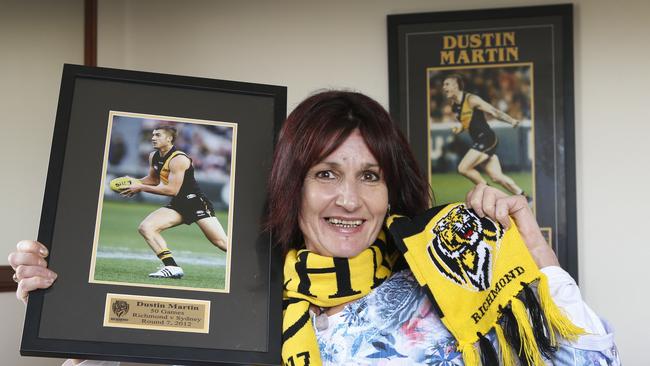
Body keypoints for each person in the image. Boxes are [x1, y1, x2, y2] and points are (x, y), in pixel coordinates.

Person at [9, 91, 618, 365]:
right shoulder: (236, 310)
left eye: (371, 176)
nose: (348, 200)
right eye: (325, 173)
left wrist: (536, 252)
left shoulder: (447, 281)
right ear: (291, 184)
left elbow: (591, 364)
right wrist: (71, 312)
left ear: (391, 190)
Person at [121, 126, 228, 279]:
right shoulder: (154, 156)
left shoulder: (179, 159)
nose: (153, 138)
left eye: (158, 135)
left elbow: (172, 190)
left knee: (221, 243)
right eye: (153, 135)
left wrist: (140, 187)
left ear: (169, 138)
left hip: (195, 202)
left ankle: (247, 259)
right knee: (146, 227)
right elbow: (153, 179)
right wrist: (135, 182)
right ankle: (172, 267)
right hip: (178, 204)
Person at [442, 74, 529, 198]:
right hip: (479, 141)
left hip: (487, 138)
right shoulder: (454, 106)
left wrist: (511, 120)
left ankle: (489, 193)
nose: (444, 87)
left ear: (456, 86)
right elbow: (466, 122)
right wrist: (459, 128)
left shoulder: (471, 99)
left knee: (463, 168)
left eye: (447, 84)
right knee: (497, 177)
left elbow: (494, 111)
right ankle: (525, 197)